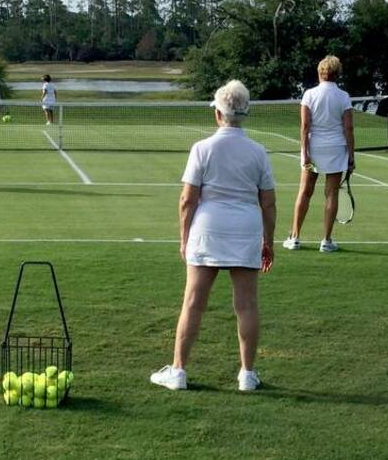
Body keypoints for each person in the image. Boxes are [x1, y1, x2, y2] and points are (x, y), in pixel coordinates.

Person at [150, 80, 277, 393]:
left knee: (193, 303)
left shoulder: (202, 149)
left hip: (208, 230)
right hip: (245, 229)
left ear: (219, 114)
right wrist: (268, 242)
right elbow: (269, 202)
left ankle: (178, 371)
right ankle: (247, 375)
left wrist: (184, 239)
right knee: (246, 304)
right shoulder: (258, 152)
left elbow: (187, 200)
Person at [282, 55, 355, 253]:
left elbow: (305, 127)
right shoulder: (343, 96)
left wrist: (304, 153)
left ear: (320, 72)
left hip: (314, 149)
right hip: (336, 149)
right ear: (337, 73)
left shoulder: (309, 94)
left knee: (305, 192)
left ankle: (295, 238)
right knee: (331, 194)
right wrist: (351, 156)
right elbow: (349, 128)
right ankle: (326, 240)